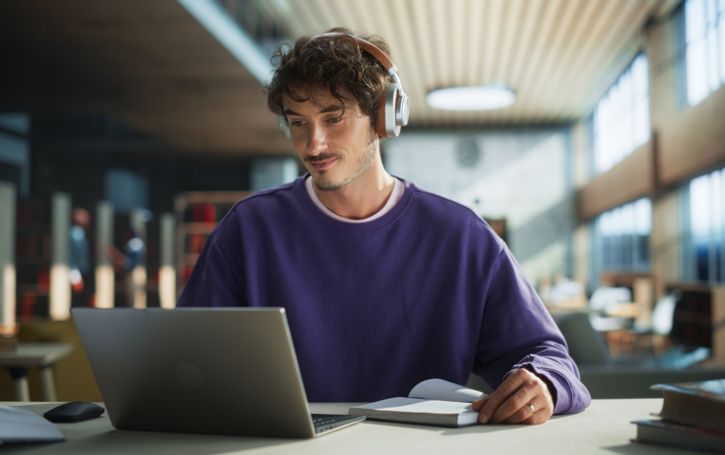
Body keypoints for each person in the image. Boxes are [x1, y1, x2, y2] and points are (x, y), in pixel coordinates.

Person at [178, 28, 591, 425]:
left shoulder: (459, 236)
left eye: (333, 118)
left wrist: (545, 385)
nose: (313, 144)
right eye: (298, 122)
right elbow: (184, 359)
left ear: (383, 117)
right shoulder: (248, 231)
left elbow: (548, 355)